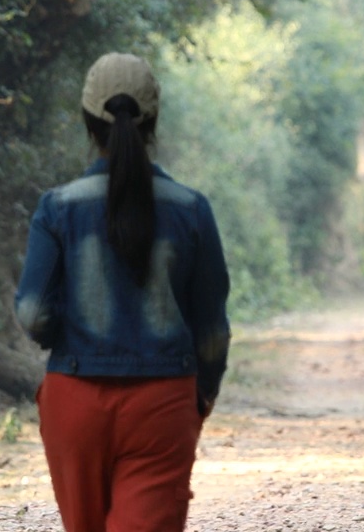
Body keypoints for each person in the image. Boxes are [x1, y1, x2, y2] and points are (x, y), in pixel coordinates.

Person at [15, 52, 231, 532]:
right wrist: (204, 392)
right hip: (162, 404)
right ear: (152, 120)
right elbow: (212, 329)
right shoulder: (192, 210)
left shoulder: (57, 209)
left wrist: (68, 338)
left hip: (74, 401)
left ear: (89, 122)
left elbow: (32, 314)